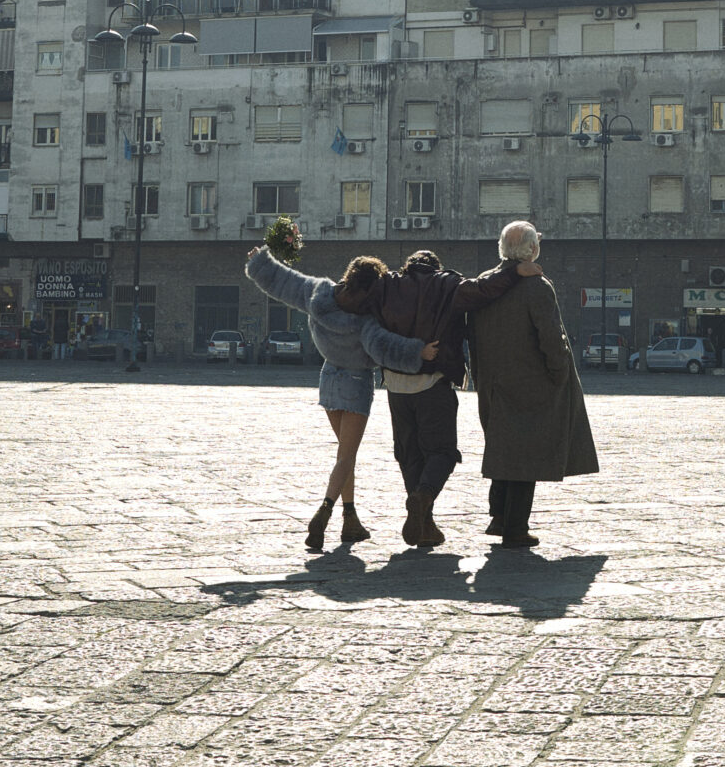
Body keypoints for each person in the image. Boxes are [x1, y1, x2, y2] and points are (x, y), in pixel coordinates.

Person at [243, 231, 424, 552]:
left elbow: (283, 281)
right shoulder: (366, 320)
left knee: (344, 454)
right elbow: (384, 348)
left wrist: (260, 261)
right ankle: (323, 513)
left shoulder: (318, 293)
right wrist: (418, 352)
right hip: (356, 385)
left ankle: (350, 519)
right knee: (346, 455)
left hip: (328, 379)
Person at [361, 248, 540, 549]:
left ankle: (424, 524)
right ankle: (423, 498)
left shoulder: (387, 285)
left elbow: (356, 300)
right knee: (442, 452)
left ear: (408, 266)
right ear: (436, 267)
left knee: (409, 453)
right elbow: (484, 290)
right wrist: (514, 272)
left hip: (395, 384)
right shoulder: (448, 285)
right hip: (434, 381)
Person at [462, 221, 598, 549]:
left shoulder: (487, 284)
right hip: (531, 384)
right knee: (526, 455)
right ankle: (515, 528)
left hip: (493, 383)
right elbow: (552, 337)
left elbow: (473, 338)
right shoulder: (537, 286)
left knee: (502, 449)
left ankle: (498, 516)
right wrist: (559, 373)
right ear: (533, 249)